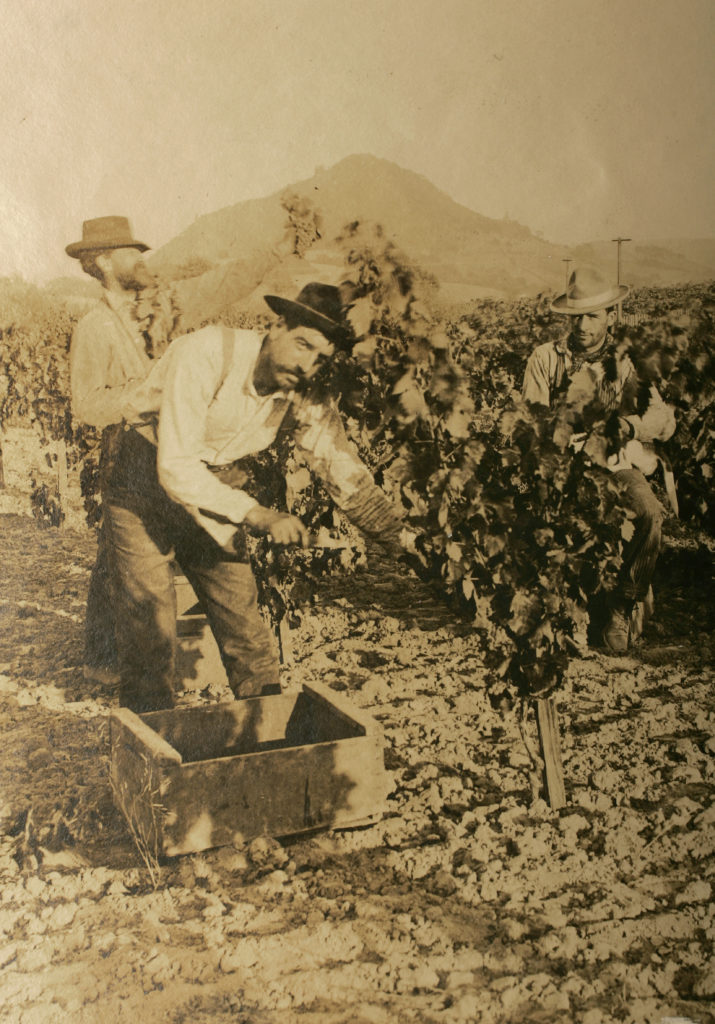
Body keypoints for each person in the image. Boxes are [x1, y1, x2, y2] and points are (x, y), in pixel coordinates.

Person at [105, 282, 410, 712]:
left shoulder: (303, 395)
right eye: (303, 345)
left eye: (321, 358)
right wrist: (258, 514)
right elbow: (175, 466)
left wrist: (406, 544)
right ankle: (152, 751)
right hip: (142, 481)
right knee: (150, 629)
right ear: (277, 325)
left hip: (214, 486)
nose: (307, 365)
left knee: (244, 625)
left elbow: (343, 475)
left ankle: (268, 737)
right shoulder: (207, 353)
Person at [522, 266, 676, 652]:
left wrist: (627, 425)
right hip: (562, 466)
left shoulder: (627, 363)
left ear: (611, 316)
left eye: (592, 316)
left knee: (648, 514)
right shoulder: (545, 358)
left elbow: (661, 417)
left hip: (614, 464)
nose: (582, 325)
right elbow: (531, 417)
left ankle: (622, 606)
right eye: (576, 317)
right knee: (549, 525)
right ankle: (563, 611)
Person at [66, 216, 172, 676]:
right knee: (119, 556)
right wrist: (143, 397)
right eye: (130, 251)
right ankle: (106, 660)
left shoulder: (155, 310)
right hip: (126, 449)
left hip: (165, 445)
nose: (140, 258)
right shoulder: (95, 326)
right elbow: (86, 404)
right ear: (105, 262)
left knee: (125, 553)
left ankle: (110, 655)